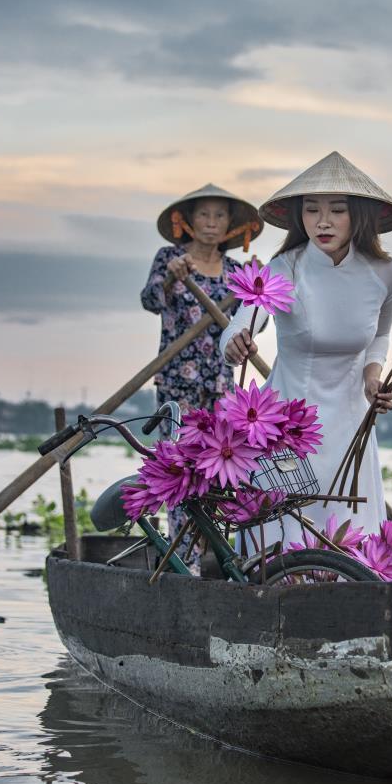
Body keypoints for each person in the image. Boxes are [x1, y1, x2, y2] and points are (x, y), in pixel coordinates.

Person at [220, 151, 392, 546]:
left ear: (360, 215)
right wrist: (235, 341)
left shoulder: (386, 274)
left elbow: (380, 337)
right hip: (286, 420)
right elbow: (245, 318)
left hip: (350, 421)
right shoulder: (285, 267)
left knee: (346, 530)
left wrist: (373, 378)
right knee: (279, 537)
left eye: (337, 210)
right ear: (298, 217)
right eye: (311, 210)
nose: (322, 221)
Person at [141, 183, 263, 561]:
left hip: (220, 382)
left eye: (220, 216)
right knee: (179, 466)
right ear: (189, 221)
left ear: (230, 225)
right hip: (178, 381)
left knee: (221, 467)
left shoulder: (237, 271)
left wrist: (257, 291)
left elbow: (256, 317)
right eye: (204, 215)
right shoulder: (170, 258)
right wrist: (172, 278)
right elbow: (149, 300)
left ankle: (215, 552)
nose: (211, 223)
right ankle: (182, 559)